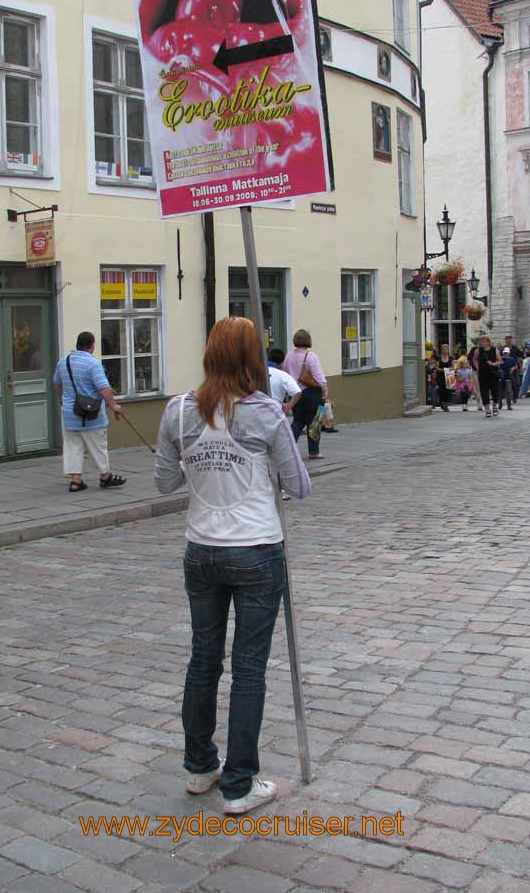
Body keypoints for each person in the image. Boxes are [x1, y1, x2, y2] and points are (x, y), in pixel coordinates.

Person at [154, 316, 310, 813]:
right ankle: (240, 782)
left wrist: (194, 462)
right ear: (251, 361)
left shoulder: (178, 412)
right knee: (247, 669)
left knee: (204, 659)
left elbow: (165, 483)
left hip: (202, 551)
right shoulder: (265, 413)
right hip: (257, 549)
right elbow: (300, 485)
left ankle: (200, 767)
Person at [53, 331, 126, 492]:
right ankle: (105, 476)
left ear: (77, 344)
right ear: (92, 345)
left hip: (69, 414)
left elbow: (56, 384)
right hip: (91, 414)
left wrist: (62, 400)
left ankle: (75, 481)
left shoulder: (63, 362)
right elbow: (103, 388)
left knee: (73, 446)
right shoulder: (93, 363)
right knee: (98, 445)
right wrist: (114, 405)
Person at [283, 329, 328, 461]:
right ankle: (314, 451)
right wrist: (325, 389)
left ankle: (287, 449)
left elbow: (285, 374)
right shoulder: (310, 356)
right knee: (315, 422)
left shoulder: (288, 356)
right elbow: (318, 376)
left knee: (298, 421)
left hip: (295, 393)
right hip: (312, 393)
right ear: (308, 340)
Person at [473, 335, 502, 418]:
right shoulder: (478, 351)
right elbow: (474, 359)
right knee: (484, 392)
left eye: (484, 341)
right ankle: (487, 409)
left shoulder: (494, 350)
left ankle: (495, 406)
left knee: (495, 391)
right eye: (481, 341)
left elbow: (500, 361)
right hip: (483, 374)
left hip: (493, 373)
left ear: (488, 342)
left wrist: (493, 364)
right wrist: (477, 367)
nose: (483, 342)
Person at [267, 348, 301, 415]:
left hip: (256, 412)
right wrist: (288, 406)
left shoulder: (256, 373)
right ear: (282, 362)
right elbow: (297, 392)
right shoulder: (283, 375)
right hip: (275, 412)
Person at [504, 335, 523, 401]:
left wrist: (519, 367)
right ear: (505, 340)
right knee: (506, 383)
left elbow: (519, 357)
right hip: (506, 368)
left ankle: (515, 396)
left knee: (516, 383)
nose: (509, 341)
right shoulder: (503, 349)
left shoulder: (515, 348)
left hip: (514, 367)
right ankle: (507, 396)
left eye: (510, 339)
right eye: (507, 339)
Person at [437, 343, 454, 412]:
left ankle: (446, 405)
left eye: (446, 349)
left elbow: (453, 367)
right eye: (444, 349)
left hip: (448, 376)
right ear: (441, 350)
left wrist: (450, 369)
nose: (445, 350)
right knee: (441, 391)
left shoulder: (451, 358)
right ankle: (442, 403)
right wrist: (444, 369)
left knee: (448, 391)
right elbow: (437, 368)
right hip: (441, 376)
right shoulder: (439, 357)